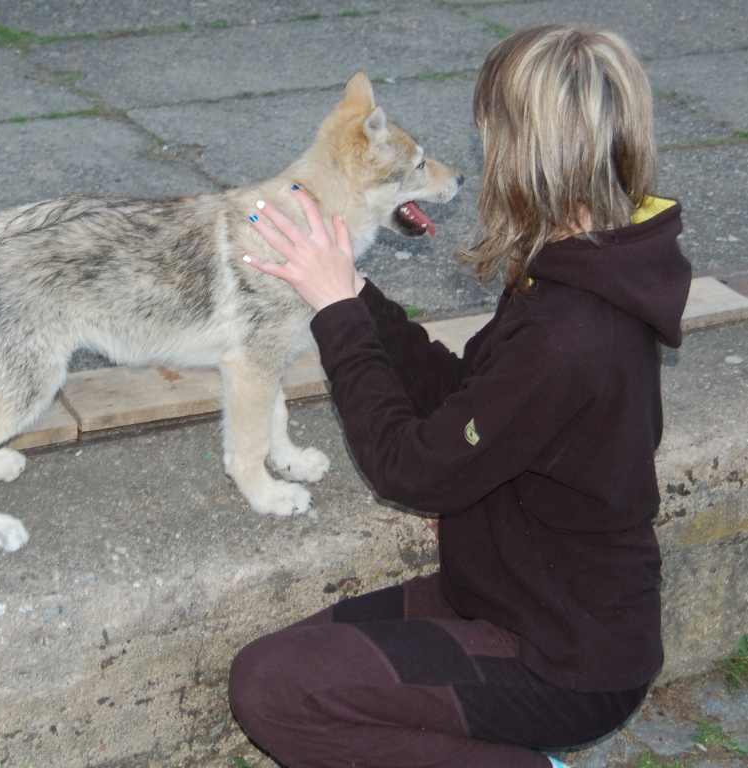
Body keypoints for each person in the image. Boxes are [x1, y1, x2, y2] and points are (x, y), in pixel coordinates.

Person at [228, 24, 692, 768]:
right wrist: (350, 288)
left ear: (519, 148)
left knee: (274, 688)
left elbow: (412, 469)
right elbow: (459, 400)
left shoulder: (572, 331)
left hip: (561, 656)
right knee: (288, 661)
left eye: (488, 134)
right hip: (501, 593)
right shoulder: (582, 264)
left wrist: (337, 316)